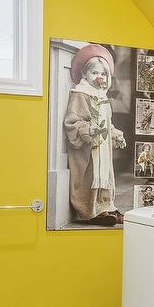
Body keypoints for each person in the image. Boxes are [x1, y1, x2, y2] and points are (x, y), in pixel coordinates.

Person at [63, 44, 127, 226]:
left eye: (103, 74)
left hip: (102, 150)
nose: (99, 77)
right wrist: (87, 129)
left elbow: (107, 123)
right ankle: (87, 211)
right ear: (84, 74)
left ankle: (105, 207)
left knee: (105, 177)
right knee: (90, 178)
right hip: (88, 149)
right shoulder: (81, 95)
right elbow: (72, 122)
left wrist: (115, 135)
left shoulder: (102, 97)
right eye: (94, 73)